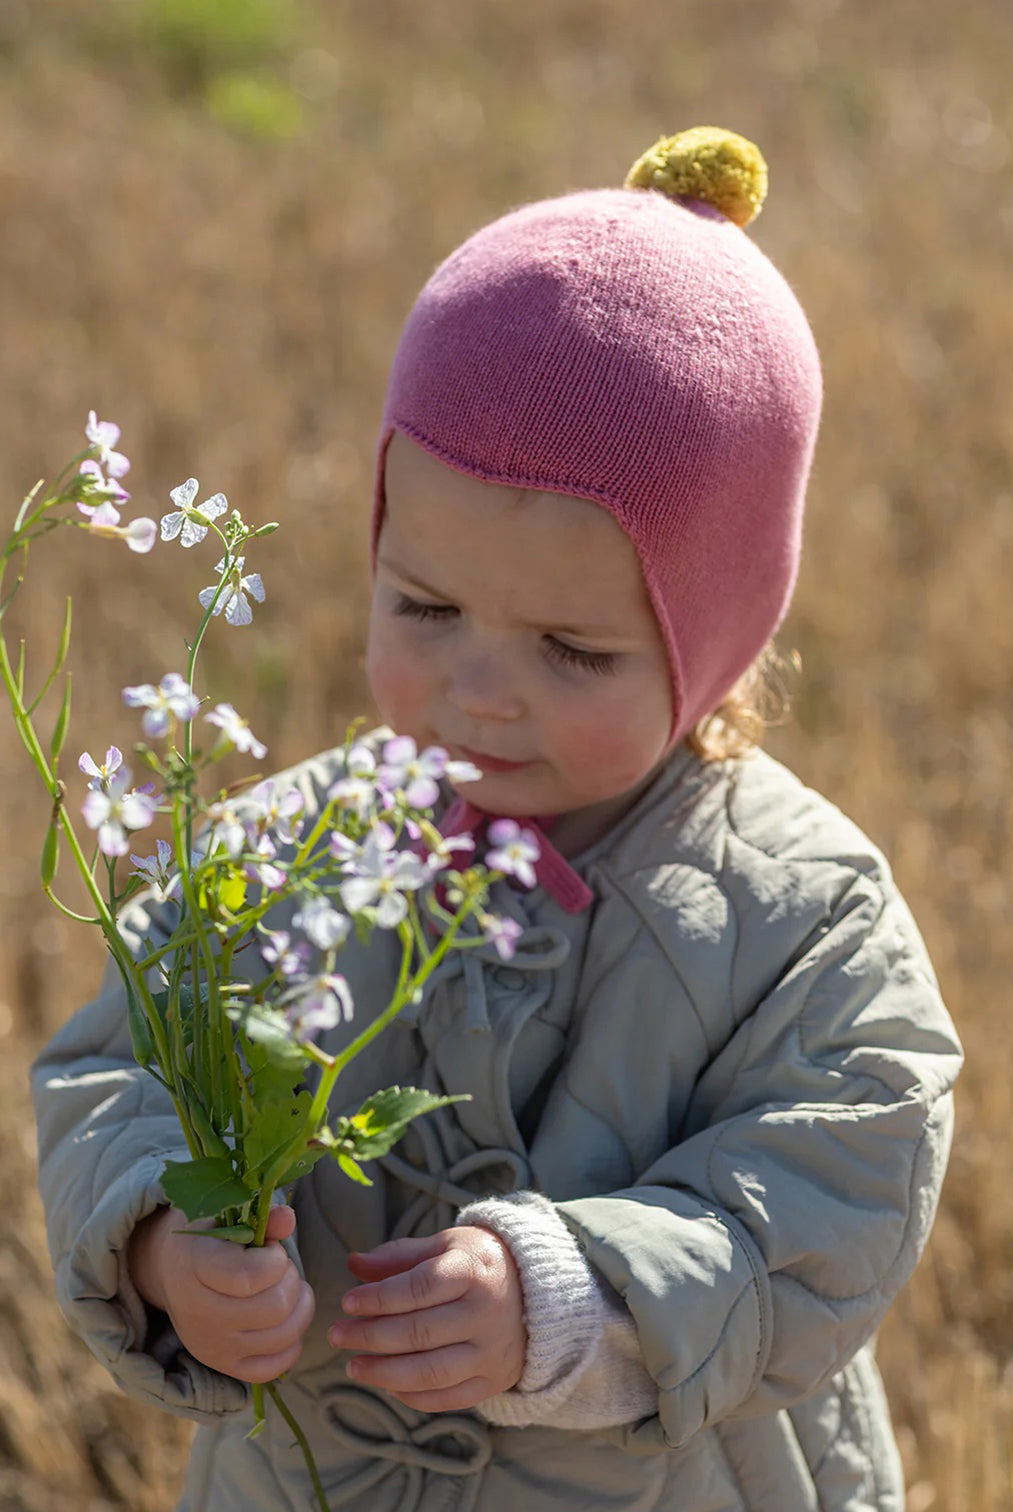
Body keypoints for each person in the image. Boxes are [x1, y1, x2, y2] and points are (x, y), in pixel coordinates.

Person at [32, 127, 962, 1512]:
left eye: (572, 651)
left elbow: (842, 1191)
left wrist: (576, 1298)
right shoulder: (270, 858)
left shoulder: (803, 916)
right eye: (424, 607)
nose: (479, 691)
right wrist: (166, 1242)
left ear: (715, 642)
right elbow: (109, 1077)